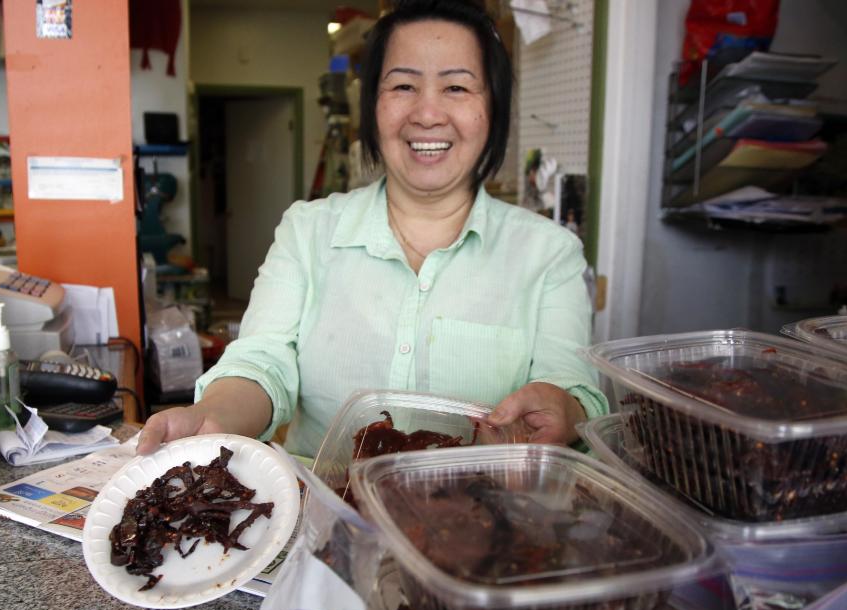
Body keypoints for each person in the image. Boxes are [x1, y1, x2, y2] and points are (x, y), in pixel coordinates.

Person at [137, 0, 608, 457]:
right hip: (324, 511)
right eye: (403, 86)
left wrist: (562, 407)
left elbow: (573, 391)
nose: (427, 113)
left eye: (457, 88)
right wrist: (214, 415)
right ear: (373, 105)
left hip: (481, 515)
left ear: (494, 109)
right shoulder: (307, 232)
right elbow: (262, 364)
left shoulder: (551, 254)